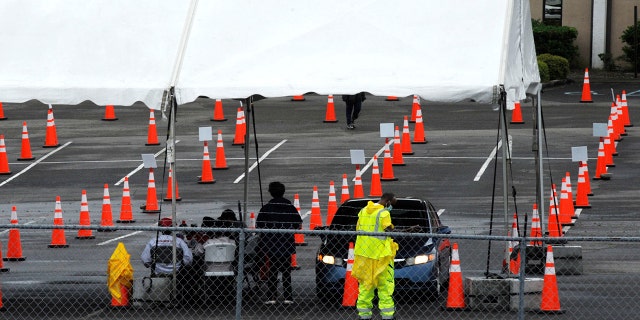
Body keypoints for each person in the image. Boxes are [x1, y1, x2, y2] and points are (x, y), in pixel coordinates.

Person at [351, 193, 398, 320]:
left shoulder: (363, 211)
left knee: (365, 286)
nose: (391, 207)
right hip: (381, 256)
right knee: (385, 287)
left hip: (363, 255)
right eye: (392, 204)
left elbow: (358, 229)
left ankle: (364, 316)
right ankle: (387, 316)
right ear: (387, 201)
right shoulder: (384, 213)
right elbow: (389, 231)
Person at [256, 181, 303, 305]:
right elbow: (298, 224)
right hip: (286, 244)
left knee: (272, 271)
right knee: (286, 271)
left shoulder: (266, 208)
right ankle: (288, 296)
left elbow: (259, 225)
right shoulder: (290, 207)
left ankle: (272, 296)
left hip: (271, 244)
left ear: (271, 193)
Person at [141, 217, 194, 302]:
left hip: (158, 271)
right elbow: (188, 258)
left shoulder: (153, 241)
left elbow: (145, 260)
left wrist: (152, 264)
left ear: (161, 229)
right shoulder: (179, 241)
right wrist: (182, 264)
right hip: (177, 271)